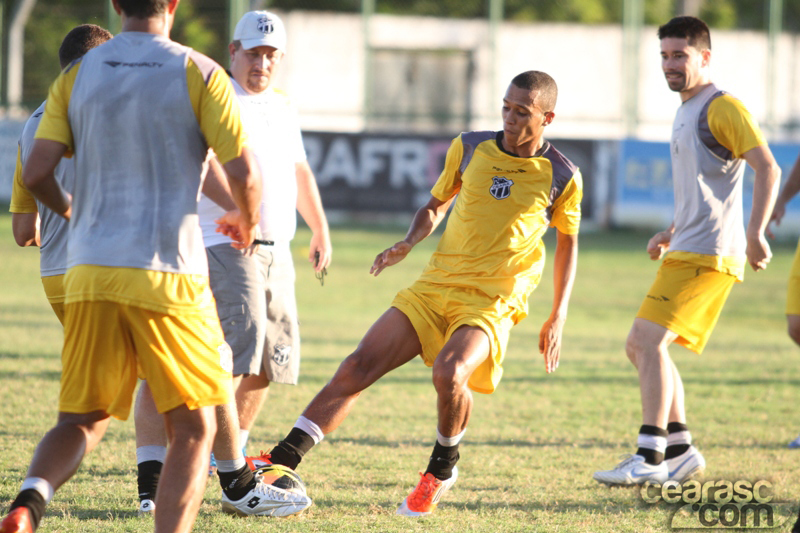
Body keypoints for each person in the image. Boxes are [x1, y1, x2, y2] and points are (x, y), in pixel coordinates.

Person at [0, 0, 303, 531]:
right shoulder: (198, 70)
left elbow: (38, 171)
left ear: (117, 5)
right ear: (173, 5)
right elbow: (244, 172)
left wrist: (75, 211)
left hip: (90, 271)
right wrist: (247, 219)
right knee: (192, 429)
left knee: (80, 421)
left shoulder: (77, 74)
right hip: (170, 272)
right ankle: (216, 495)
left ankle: (29, 500)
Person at [247, 70, 582, 516]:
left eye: (522, 112)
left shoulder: (562, 174)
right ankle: (283, 459)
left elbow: (568, 243)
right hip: (436, 284)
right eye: (506, 105)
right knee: (359, 364)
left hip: (493, 298)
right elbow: (435, 205)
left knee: (450, 372)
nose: (509, 117)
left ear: (547, 118)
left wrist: (557, 314)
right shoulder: (470, 146)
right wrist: (408, 242)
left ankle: (440, 471)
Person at [132, 10, 327, 517]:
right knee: (224, 359)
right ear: (234, 52)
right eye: (253, 51)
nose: (261, 62)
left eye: (271, 54)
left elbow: (298, 170)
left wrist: (319, 229)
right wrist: (239, 213)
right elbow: (198, 165)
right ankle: (208, 474)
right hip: (225, 243)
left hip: (277, 246)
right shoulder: (215, 93)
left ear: (279, 59)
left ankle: (226, 470)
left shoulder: (282, 105)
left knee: (268, 365)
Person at [593, 16, 780, 487]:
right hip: (688, 246)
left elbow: (768, 168)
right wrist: (671, 229)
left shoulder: (722, 107)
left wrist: (756, 232)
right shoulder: (686, 108)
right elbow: (704, 188)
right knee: (642, 348)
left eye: (680, 55)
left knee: (647, 343)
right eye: (664, 55)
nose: (670, 64)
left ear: (704, 57)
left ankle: (650, 457)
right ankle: (679, 449)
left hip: (710, 253)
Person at [9, 24, 113, 324]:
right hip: (109, 270)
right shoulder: (114, 108)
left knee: (95, 370)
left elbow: (23, 233)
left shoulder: (32, 126)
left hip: (56, 277)